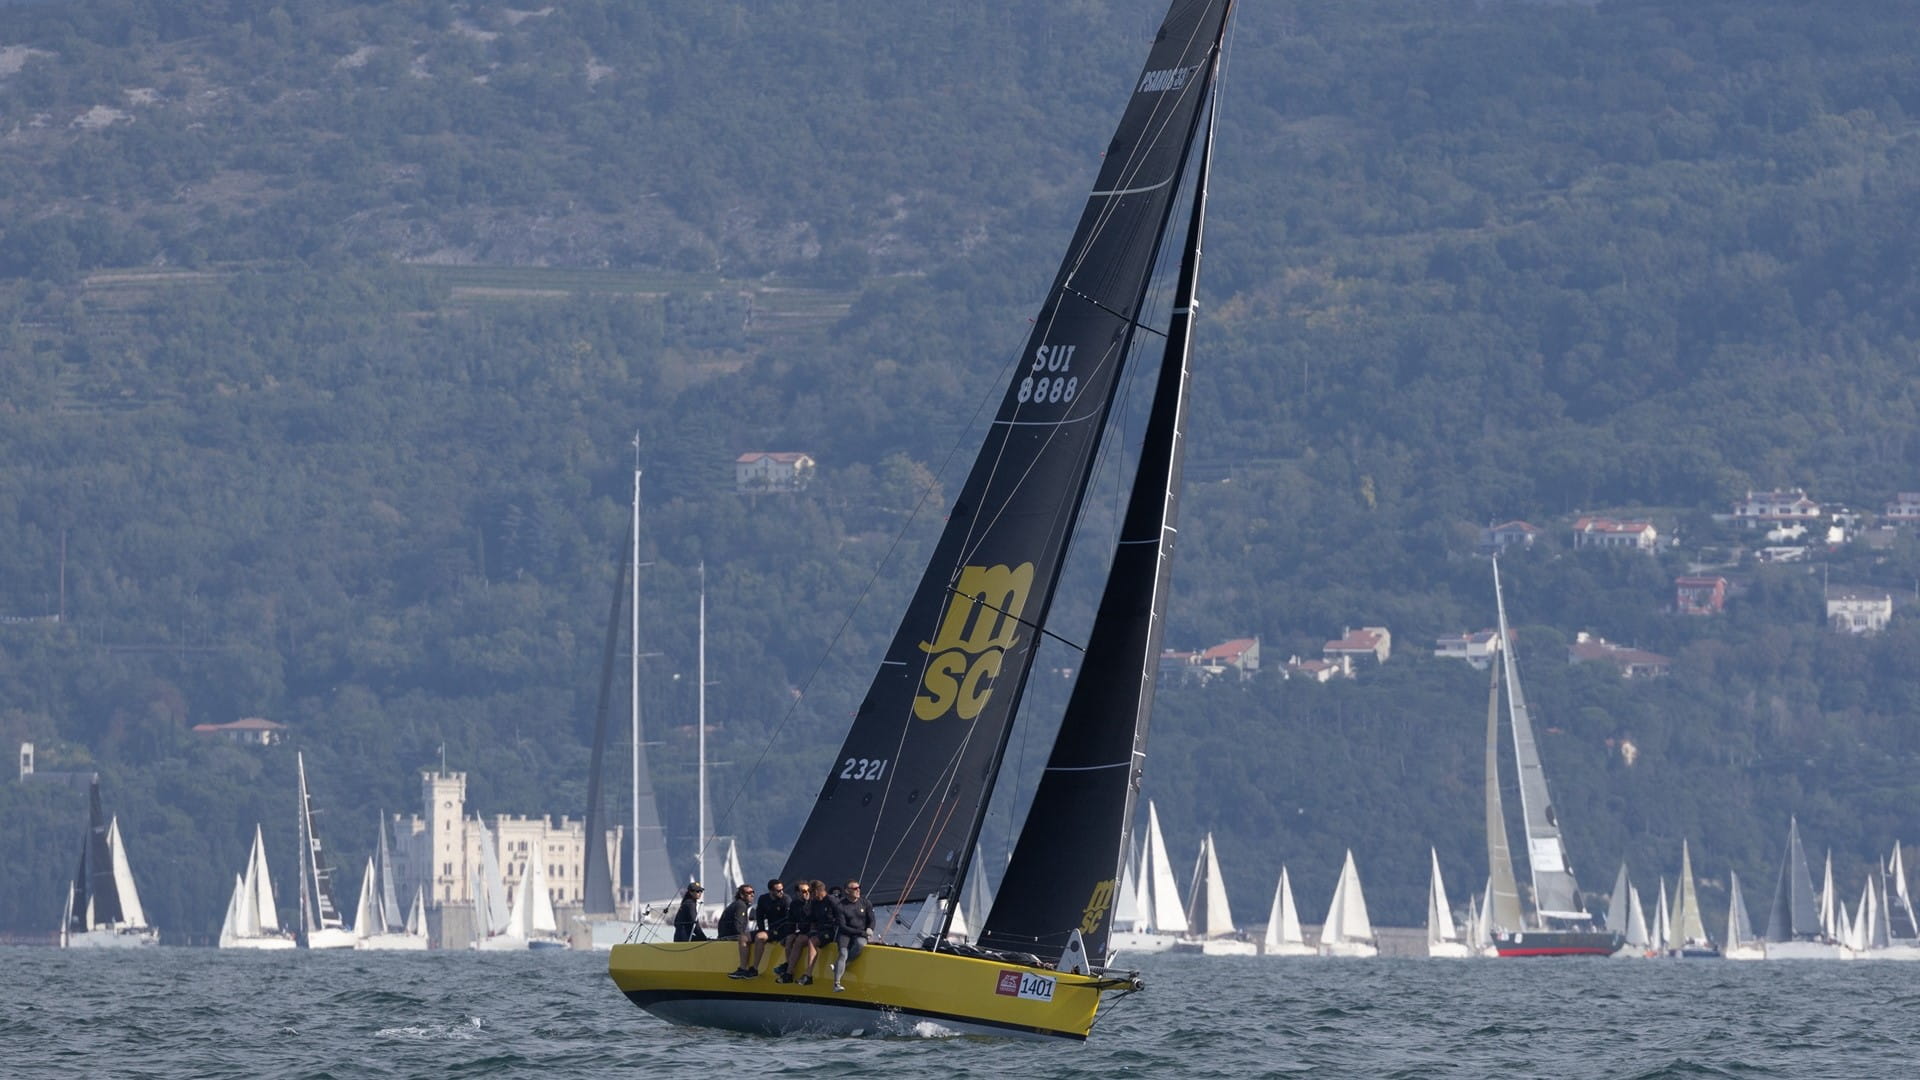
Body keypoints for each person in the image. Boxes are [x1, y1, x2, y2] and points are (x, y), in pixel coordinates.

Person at [829, 879, 877, 993]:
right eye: (855, 888)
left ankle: (840, 966)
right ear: (847, 891)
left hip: (860, 934)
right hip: (846, 933)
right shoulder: (840, 906)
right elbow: (842, 926)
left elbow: (872, 919)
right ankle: (837, 984)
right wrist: (861, 933)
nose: (858, 890)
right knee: (843, 953)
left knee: (860, 944)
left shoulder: (865, 903)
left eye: (859, 887)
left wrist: (870, 929)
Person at [751, 879, 789, 979]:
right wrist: (762, 929)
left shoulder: (786, 900)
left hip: (782, 931)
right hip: (771, 930)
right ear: (771, 891)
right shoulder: (763, 899)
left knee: (759, 937)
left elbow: (789, 920)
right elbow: (759, 916)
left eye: (782, 889)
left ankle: (755, 967)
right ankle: (745, 969)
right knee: (743, 937)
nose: (782, 892)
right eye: (778, 890)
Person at [720, 883, 759, 977]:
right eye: (749, 893)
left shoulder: (737, 904)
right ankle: (744, 968)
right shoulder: (741, 905)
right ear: (741, 895)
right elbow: (738, 928)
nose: (752, 895)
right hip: (730, 937)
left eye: (753, 892)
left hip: (725, 936)